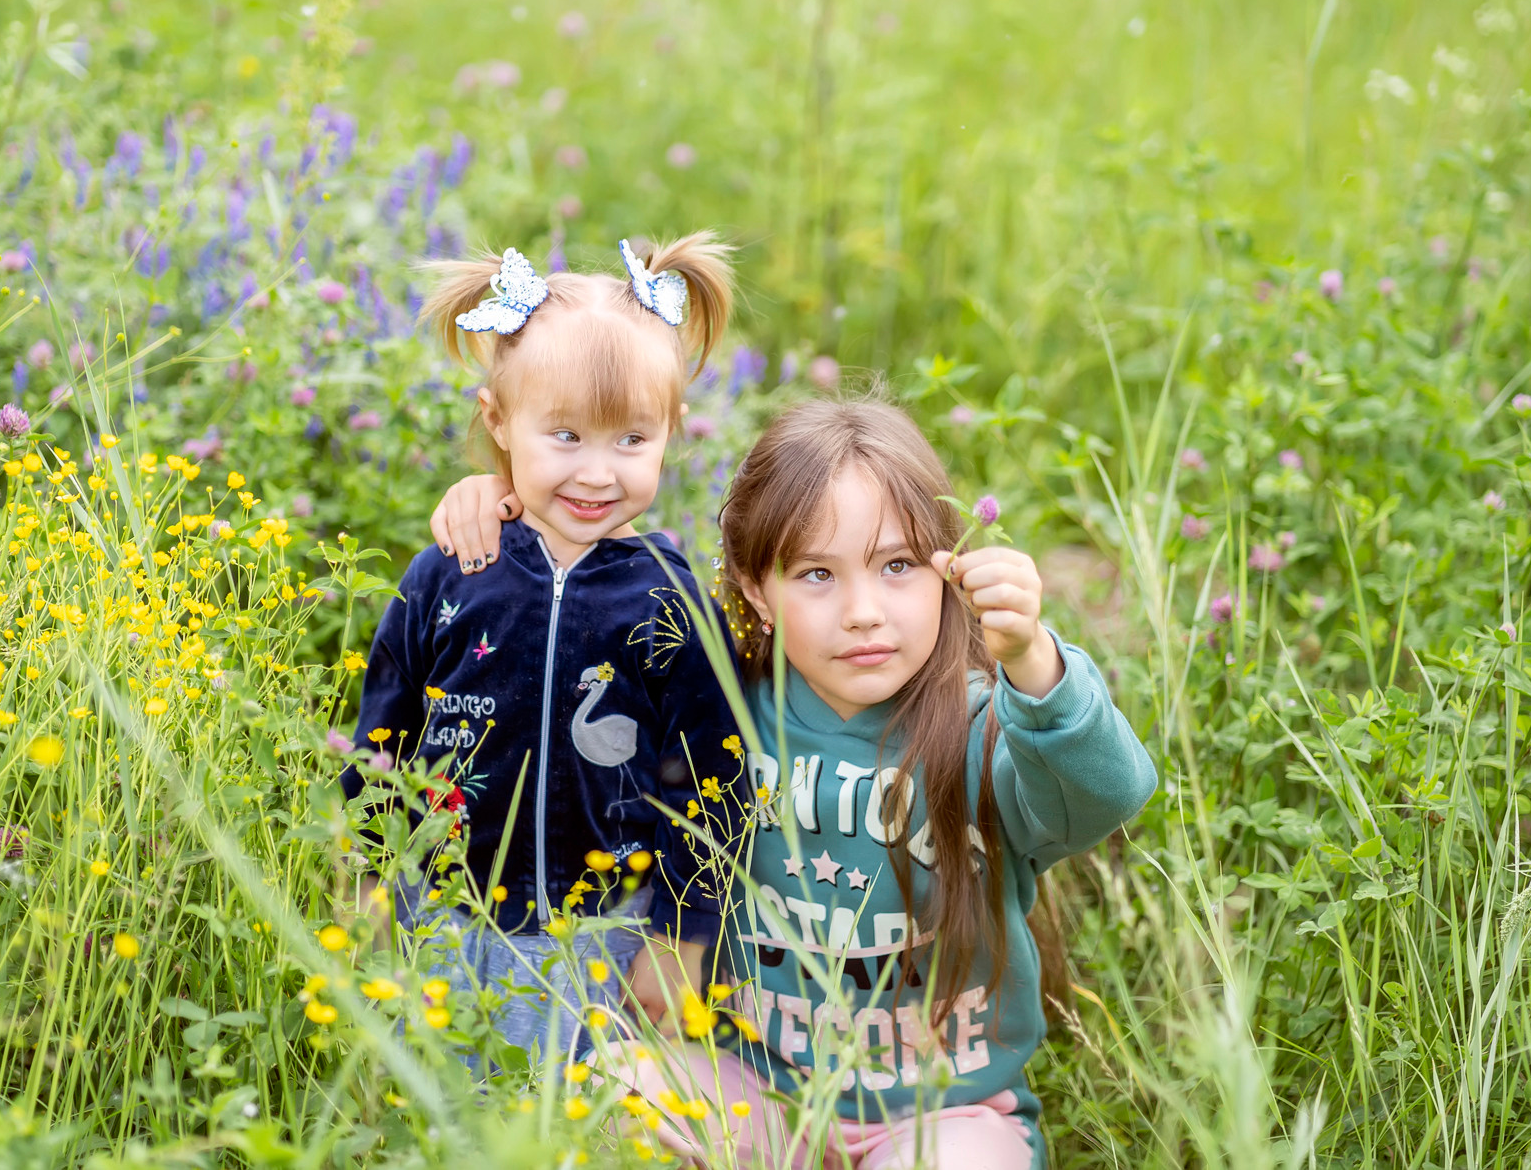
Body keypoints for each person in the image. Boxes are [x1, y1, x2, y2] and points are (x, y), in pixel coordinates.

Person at [430, 395, 1156, 1169]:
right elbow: (576, 621)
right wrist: (504, 512)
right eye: (816, 573)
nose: (863, 612)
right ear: (753, 588)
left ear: (950, 567)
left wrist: (1037, 664)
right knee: (608, 1092)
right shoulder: (716, 710)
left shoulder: (985, 727)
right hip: (754, 1094)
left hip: (943, 1113)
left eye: (898, 565)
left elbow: (1107, 795)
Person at [341, 234, 746, 1063]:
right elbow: (383, 726)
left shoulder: (671, 602)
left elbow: (714, 779)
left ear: (671, 429)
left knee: (580, 1129)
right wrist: (369, 873)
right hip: (443, 918)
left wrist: (681, 939)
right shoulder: (452, 569)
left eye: (632, 440)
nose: (598, 473)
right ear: (499, 421)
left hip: (601, 938)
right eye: (564, 436)